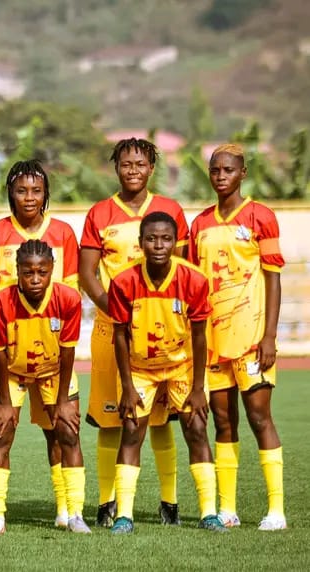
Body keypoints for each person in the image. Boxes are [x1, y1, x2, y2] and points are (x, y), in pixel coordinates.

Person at [79, 138, 188, 527]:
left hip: (161, 334)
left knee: (159, 421)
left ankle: (169, 502)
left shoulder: (171, 210)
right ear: (116, 168)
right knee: (112, 419)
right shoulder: (100, 213)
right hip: (113, 331)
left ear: (152, 168)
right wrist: (115, 309)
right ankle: (106, 503)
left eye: (141, 164)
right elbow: (87, 274)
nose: (133, 170)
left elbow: (183, 272)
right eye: (126, 164)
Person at [0, 160, 81, 530]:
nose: (29, 197)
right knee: (0, 428)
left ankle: (66, 510)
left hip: (50, 345)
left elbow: (70, 289)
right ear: (11, 194)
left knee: (58, 429)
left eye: (36, 190)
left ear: (46, 193)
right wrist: (9, 306)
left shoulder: (63, 232)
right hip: (8, 347)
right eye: (21, 190)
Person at [107, 211, 226, 534]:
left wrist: (198, 387)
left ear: (175, 243)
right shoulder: (123, 281)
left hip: (181, 366)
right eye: (151, 238)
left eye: (166, 239)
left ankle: (209, 514)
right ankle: (124, 516)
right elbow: (120, 335)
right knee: (132, 431)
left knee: (197, 428)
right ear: (140, 243)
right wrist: (127, 386)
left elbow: (200, 336)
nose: (158, 245)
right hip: (139, 369)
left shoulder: (194, 279)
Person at [189, 143, 286, 531]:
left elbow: (273, 279)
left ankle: (276, 510)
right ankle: (227, 508)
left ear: (242, 173)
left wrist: (270, 336)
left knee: (260, 417)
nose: (221, 176)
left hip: (251, 336)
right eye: (215, 170)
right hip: (213, 340)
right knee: (223, 422)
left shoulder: (261, 216)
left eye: (228, 170)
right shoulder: (200, 223)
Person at [0, 239, 87, 535]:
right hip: (11, 372)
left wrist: (63, 400)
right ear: (17, 271)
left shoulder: (69, 298)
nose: (35, 279)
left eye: (42, 272)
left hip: (53, 370)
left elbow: (68, 351)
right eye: (28, 273)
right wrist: (4, 402)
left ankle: (73, 512)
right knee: (1, 434)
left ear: (52, 269)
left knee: (67, 432)